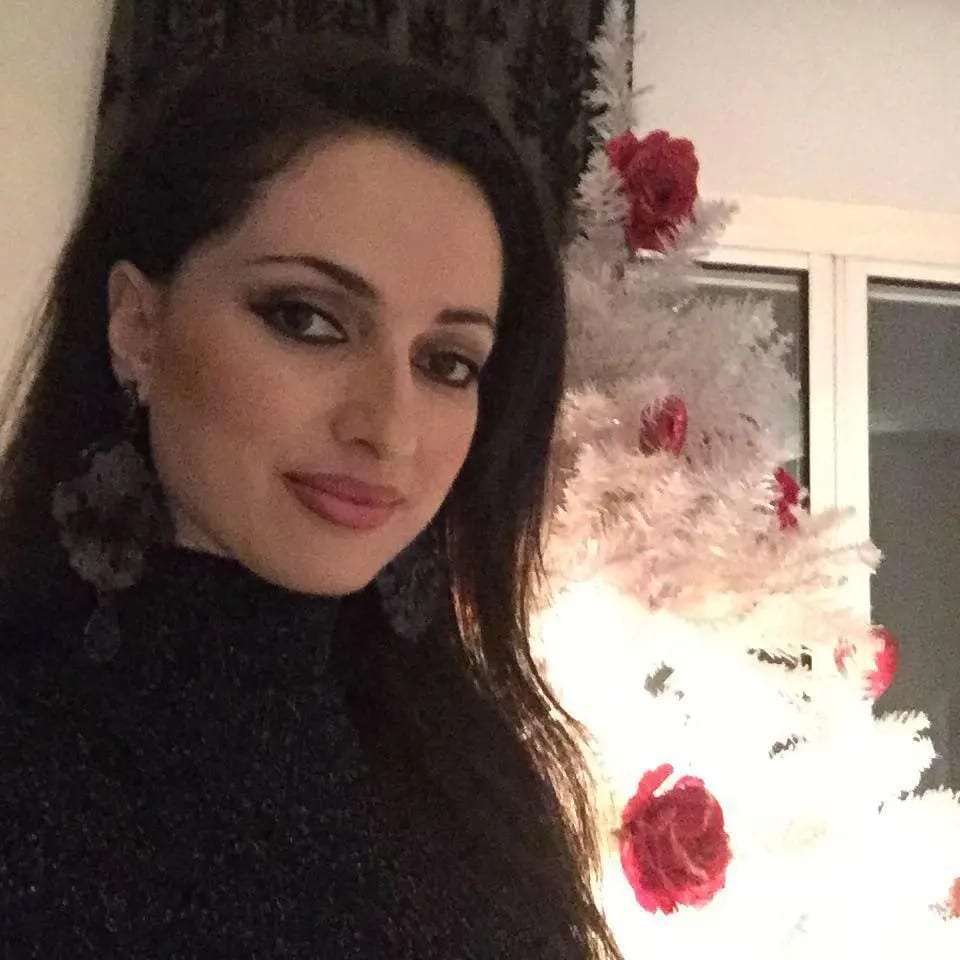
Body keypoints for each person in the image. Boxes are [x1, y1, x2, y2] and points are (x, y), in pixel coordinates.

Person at [0, 32, 623, 960]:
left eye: (447, 362)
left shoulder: (471, 765)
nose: (389, 429)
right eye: (308, 320)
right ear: (138, 324)